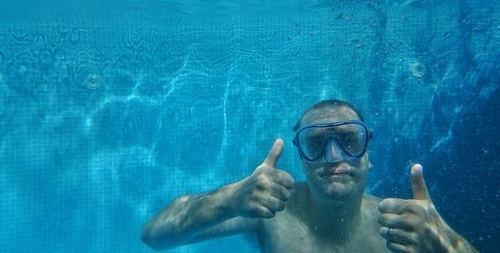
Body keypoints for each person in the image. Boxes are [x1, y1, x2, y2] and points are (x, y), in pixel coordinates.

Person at [141, 99, 478, 252]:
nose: (333, 157)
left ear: (369, 155)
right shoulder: (271, 215)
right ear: (301, 160)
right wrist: (228, 200)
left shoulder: (400, 226)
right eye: (315, 144)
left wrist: (448, 245)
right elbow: (155, 236)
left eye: (349, 141)